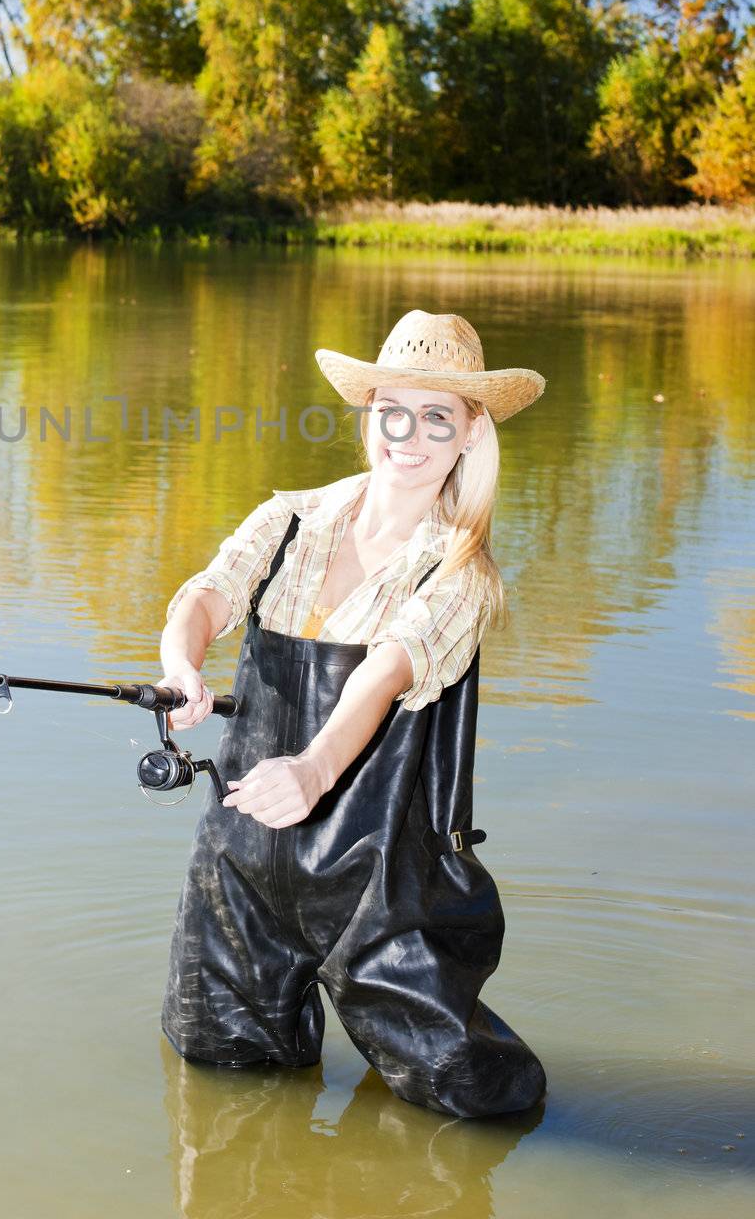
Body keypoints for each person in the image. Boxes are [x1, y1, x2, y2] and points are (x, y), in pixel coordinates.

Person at [155, 308, 549, 1119]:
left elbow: (379, 676)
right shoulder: (289, 518)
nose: (407, 437)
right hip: (245, 856)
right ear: (368, 415)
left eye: (435, 418)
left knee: (466, 1097)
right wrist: (180, 667)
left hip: (380, 879)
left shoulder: (461, 572)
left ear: (470, 433)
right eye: (390, 412)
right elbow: (204, 595)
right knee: (222, 1081)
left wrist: (313, 769)